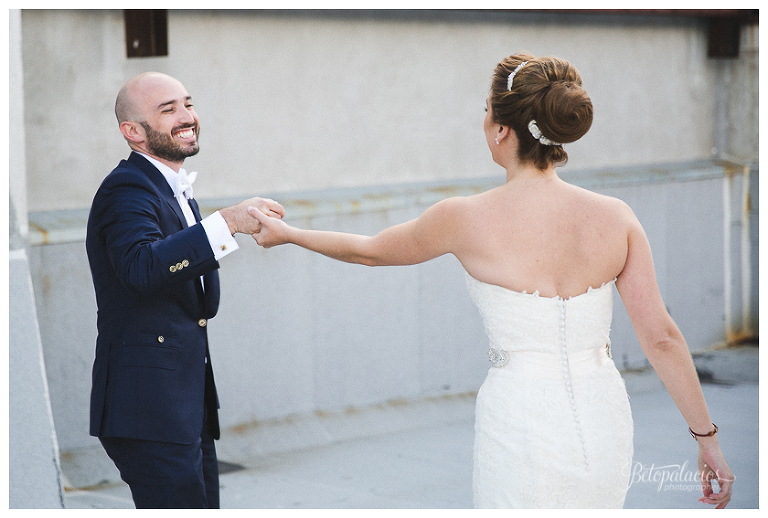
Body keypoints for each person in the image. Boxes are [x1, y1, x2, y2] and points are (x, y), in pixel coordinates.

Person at [247, 53, 733, 508]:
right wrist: (706, 439)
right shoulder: (616, 217)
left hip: (518, 419)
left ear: (502, 129)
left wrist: (289, 234)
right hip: (604, 415)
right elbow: (662, 337)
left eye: (485, 112)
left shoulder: (463, 218)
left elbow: (371, 252)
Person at [85, 71, 284, 508]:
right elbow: (140, 267)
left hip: (182, 405)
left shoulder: (173, 188)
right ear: (132, 132)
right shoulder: (127, 187)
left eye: (187, 103)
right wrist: (227, 222)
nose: (187, 116)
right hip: (150, 409)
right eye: (168, 109)